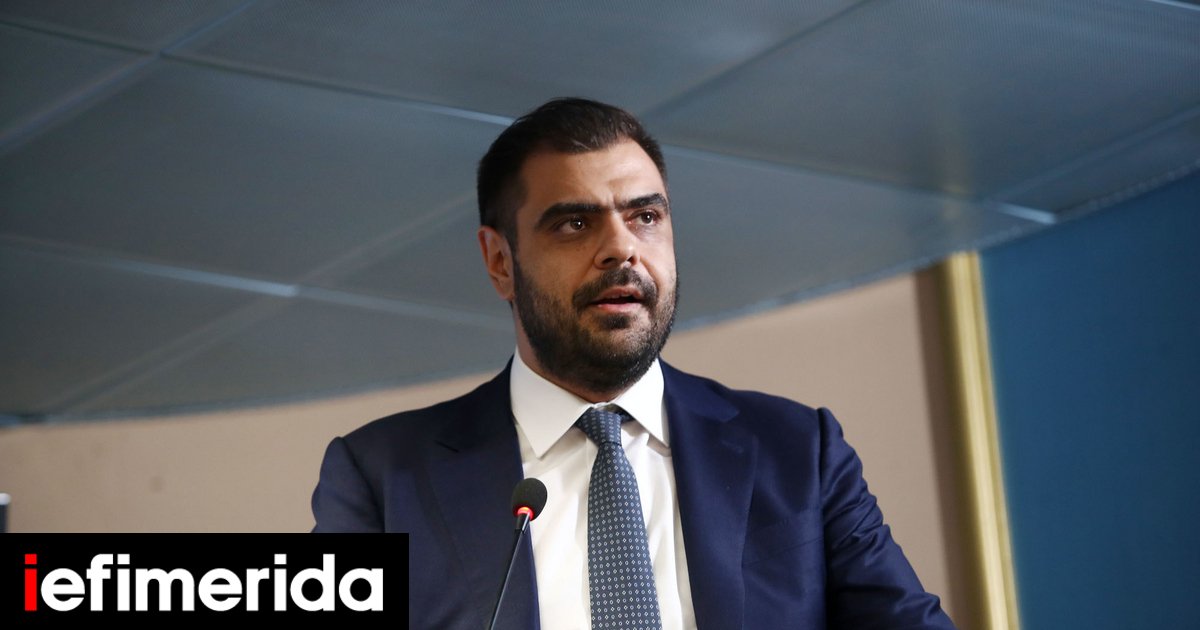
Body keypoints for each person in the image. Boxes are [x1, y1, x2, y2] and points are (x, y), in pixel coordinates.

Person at [312, 98, 956, 630]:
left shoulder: (797, 451)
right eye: (574, 224)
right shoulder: (383, 476)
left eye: (645, 216)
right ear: (500, 261)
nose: (622, 249)